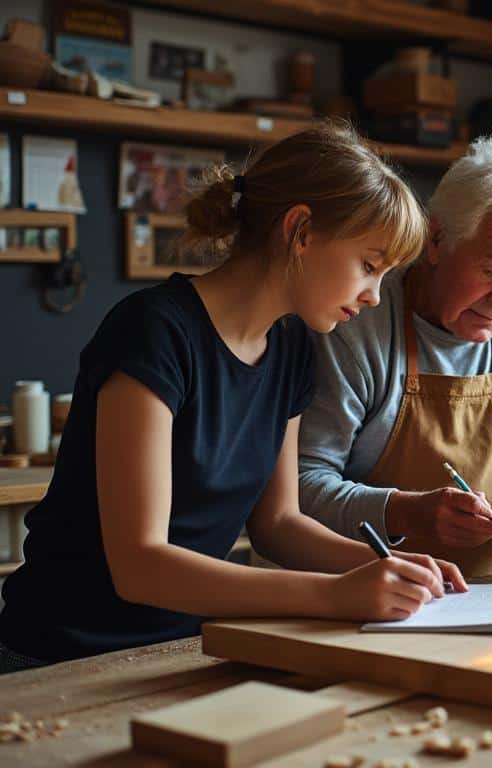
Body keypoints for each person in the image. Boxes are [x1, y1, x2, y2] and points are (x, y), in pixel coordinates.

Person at [0, 123, 466, 674]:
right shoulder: (154, 331)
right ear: (300, 230)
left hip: (186, 647)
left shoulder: (292, 345)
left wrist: (386, 565)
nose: (373, 295)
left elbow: (279, 524)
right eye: (369, 265)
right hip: (61, 655)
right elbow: (140, 566)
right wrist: (334, 595)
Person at [298, 137, 492, 576]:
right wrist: (404, 512)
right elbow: (299, 488)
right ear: (437, 239)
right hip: (366, 597)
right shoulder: (353, 320)